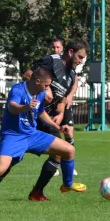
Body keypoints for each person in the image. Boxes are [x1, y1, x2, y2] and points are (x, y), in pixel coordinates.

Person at [0, 67, 86, 204]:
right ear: (37, 81)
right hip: (14, 136)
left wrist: (56, 127)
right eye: (46, 85)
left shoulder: (40, 93)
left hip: (32, 135)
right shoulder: (18, 90)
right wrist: (25, 107)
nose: (48, 89)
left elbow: (41, 112)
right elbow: (12, 107)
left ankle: (67, 184)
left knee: (69, 150)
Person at [0, 38, 89, 201]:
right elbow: (28, 75)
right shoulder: (51, 61)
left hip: (45, 118)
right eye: (80, 57)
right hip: (30, 116)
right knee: (13, 157)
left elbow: (61, 100)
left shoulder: (71, 75)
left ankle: (37, 192)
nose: (81, 61)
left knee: (59, 155)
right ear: (70, 52)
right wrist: (44, 91)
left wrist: (60, 114)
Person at [46, 37, 79, 178]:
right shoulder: (52, 62)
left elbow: (75, 81)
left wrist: (70, 95)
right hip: (51, 105)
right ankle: (55, 163)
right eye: (53, 47)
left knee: (69, 131)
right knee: (55, 133)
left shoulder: (69, 66)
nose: (56, 50)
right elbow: (32, 75)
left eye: (58, 47)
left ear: (63, 48)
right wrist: (46, 87)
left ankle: (70, 165)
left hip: (64, 103)